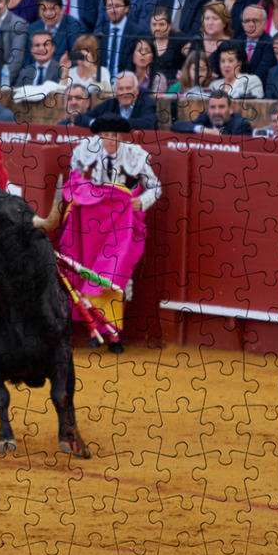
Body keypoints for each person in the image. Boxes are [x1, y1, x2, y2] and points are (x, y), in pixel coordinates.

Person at [60, 112, 162, 352]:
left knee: (118, 278)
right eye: (105, 135)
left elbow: (156, 188)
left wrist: (141, 202)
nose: (110, 139)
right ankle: (95, 329)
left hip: (122, 225)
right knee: (87, 274)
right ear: (99, 135)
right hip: (89, 224)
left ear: (121, 135)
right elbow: (73, 182)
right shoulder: (84, 150)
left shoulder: (136, 155)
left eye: (114, 135)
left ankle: (113, 333)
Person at [90, 71, 158, 130]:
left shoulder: (147, 103)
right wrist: (95, 123)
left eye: (128, 88)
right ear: (116, 92)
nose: (124, 93)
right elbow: (84, 118)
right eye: (120, 89)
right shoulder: (110, 104)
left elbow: (148, 124)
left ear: (137, 90)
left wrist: (115, 122)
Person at [171, 90, 252, 136]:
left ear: (231, 109)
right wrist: (204, 130)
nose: (217, 112)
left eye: (221, 107)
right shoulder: (205, 118)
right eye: (213, 107)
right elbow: (176, 126)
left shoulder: (241, 125)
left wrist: (220, 134)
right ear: (208, 109)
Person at [149, 8, 186, 82]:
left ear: (169, 26)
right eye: (154, 24)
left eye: (162, 24)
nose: (157, 28)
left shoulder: (178, 39)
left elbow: (192, 54)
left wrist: (185, 72)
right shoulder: (146, 42)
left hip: (173, 87)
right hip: (150, 86)